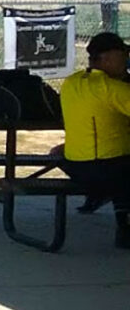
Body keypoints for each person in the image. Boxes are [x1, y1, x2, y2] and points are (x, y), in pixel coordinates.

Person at [60, 31, 130, 248]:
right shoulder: (112, 88)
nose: (127, 61)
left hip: (73, 166)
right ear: (108, 58)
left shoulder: (70, 83)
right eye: (124, 55)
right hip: (106, 169)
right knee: (123, 169)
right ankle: (125, 227)